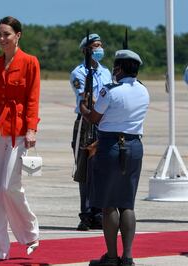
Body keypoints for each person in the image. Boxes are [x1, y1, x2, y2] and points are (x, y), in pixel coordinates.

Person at [80, 49, 150, 266]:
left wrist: (83, 106)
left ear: (119, 68)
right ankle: (127, 257)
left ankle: (111, 257)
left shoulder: (110, 90)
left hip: (110, 145)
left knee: (109, 204)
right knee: (127, 203)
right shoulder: (143, 91)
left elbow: (94, 118)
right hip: (134, 145)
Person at [0, 16, 40, 261]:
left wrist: (31, 129)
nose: (2, 39)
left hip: (18, 130)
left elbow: (33, 98)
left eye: (7, 34)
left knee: (8, 186)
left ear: (18, 35)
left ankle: (30, 232)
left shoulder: (30, 62)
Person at [70, 33, 112, 231]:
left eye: (100, 45)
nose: (99, 49)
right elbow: (85, 99)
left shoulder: (106, 72)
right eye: (95, 46)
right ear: (85, 50)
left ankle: (98, 213)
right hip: (87, 123)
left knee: (102, 171)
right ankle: (86, 214)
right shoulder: (78, 72)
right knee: (86, 171)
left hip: (104, 123)